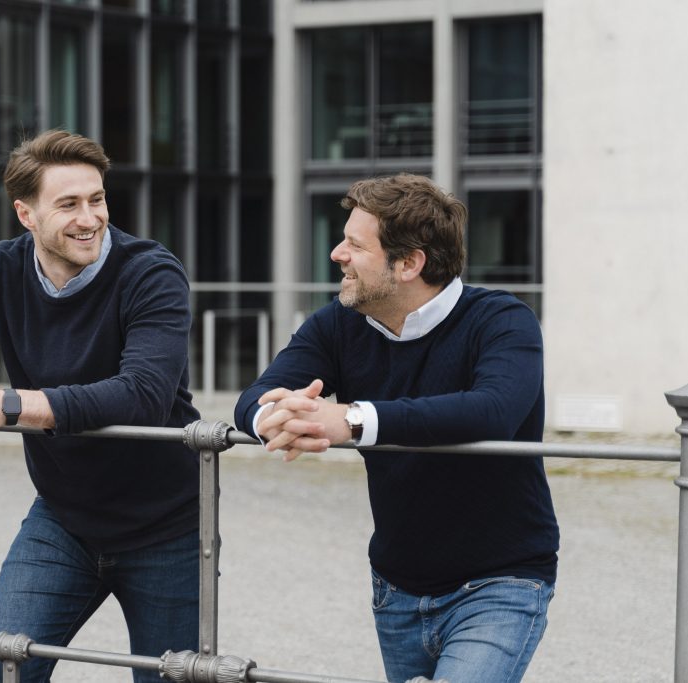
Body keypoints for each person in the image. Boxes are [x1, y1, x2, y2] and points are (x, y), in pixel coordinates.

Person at [0, 129, 200, 683]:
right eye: (68, 204)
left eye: (97, 199)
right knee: (2, 672)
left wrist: (9, 406)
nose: (90, 217)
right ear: (26, 214)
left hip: (167, 526)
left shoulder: (151, 272)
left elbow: (144, 396)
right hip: (63, 519)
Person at [234, 173, 559, 683]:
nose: (337, 254)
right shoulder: (338, 323)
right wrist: (278, 417)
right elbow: (255, 398)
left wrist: (354, 419)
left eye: (354, 245)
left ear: (409, 264)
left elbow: (492, 409)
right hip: (396, 586)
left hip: (502, 582)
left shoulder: (502, 320)